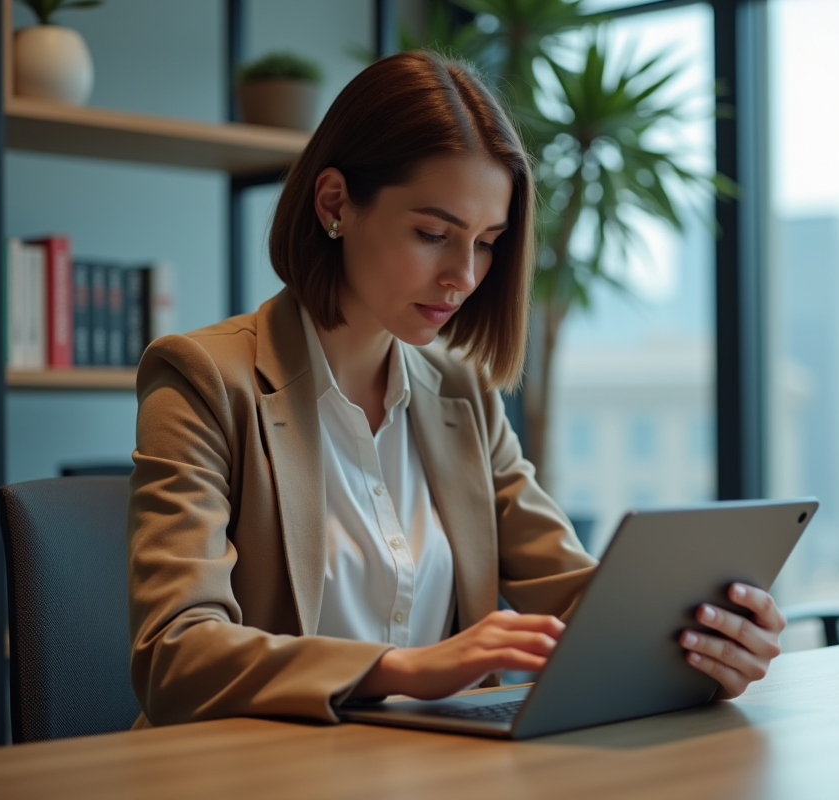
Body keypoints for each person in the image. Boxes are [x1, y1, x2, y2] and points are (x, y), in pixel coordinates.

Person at [126, 49, 786, 728]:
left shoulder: (459, 391)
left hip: (432, 770)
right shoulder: (204, 378)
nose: (464, 276)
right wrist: (400, 669)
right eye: (433, 234)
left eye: (487, 242)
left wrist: (705, 640)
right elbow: (174, 654)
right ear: (335, 204)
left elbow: (571, 594)